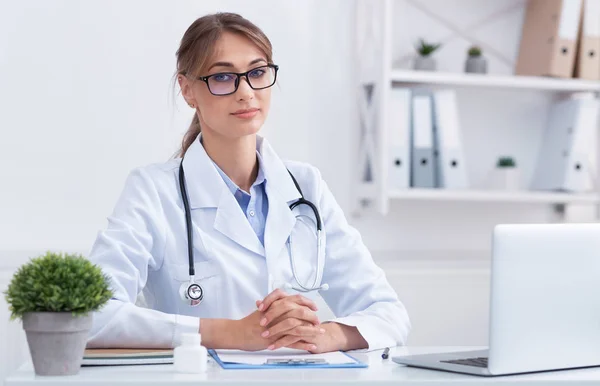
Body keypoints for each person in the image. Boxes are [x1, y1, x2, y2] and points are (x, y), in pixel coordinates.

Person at [86, 12, 410, 353]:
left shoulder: (305, 185)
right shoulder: (153, 190)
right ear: (187, 89)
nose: (246, 92)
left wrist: (323, 335)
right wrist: (229, 333)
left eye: (257, 73)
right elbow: (93, 315)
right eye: (223, 77)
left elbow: (389, 313)